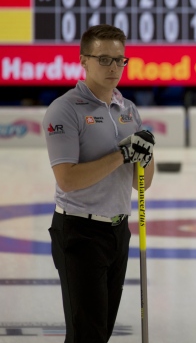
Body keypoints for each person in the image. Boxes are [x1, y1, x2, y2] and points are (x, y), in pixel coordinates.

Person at [43, 24, 156, 343]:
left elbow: (142, 184)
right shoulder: (65, 109)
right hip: (79, 231)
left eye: (120, 60)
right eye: (104, 59)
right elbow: (67, 179)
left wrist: (146, 156)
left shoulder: (128, 110)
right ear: (84, 60)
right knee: (86, 333)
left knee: (100, 331)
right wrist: (122, 153)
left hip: (118, 230)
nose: (113, 68)